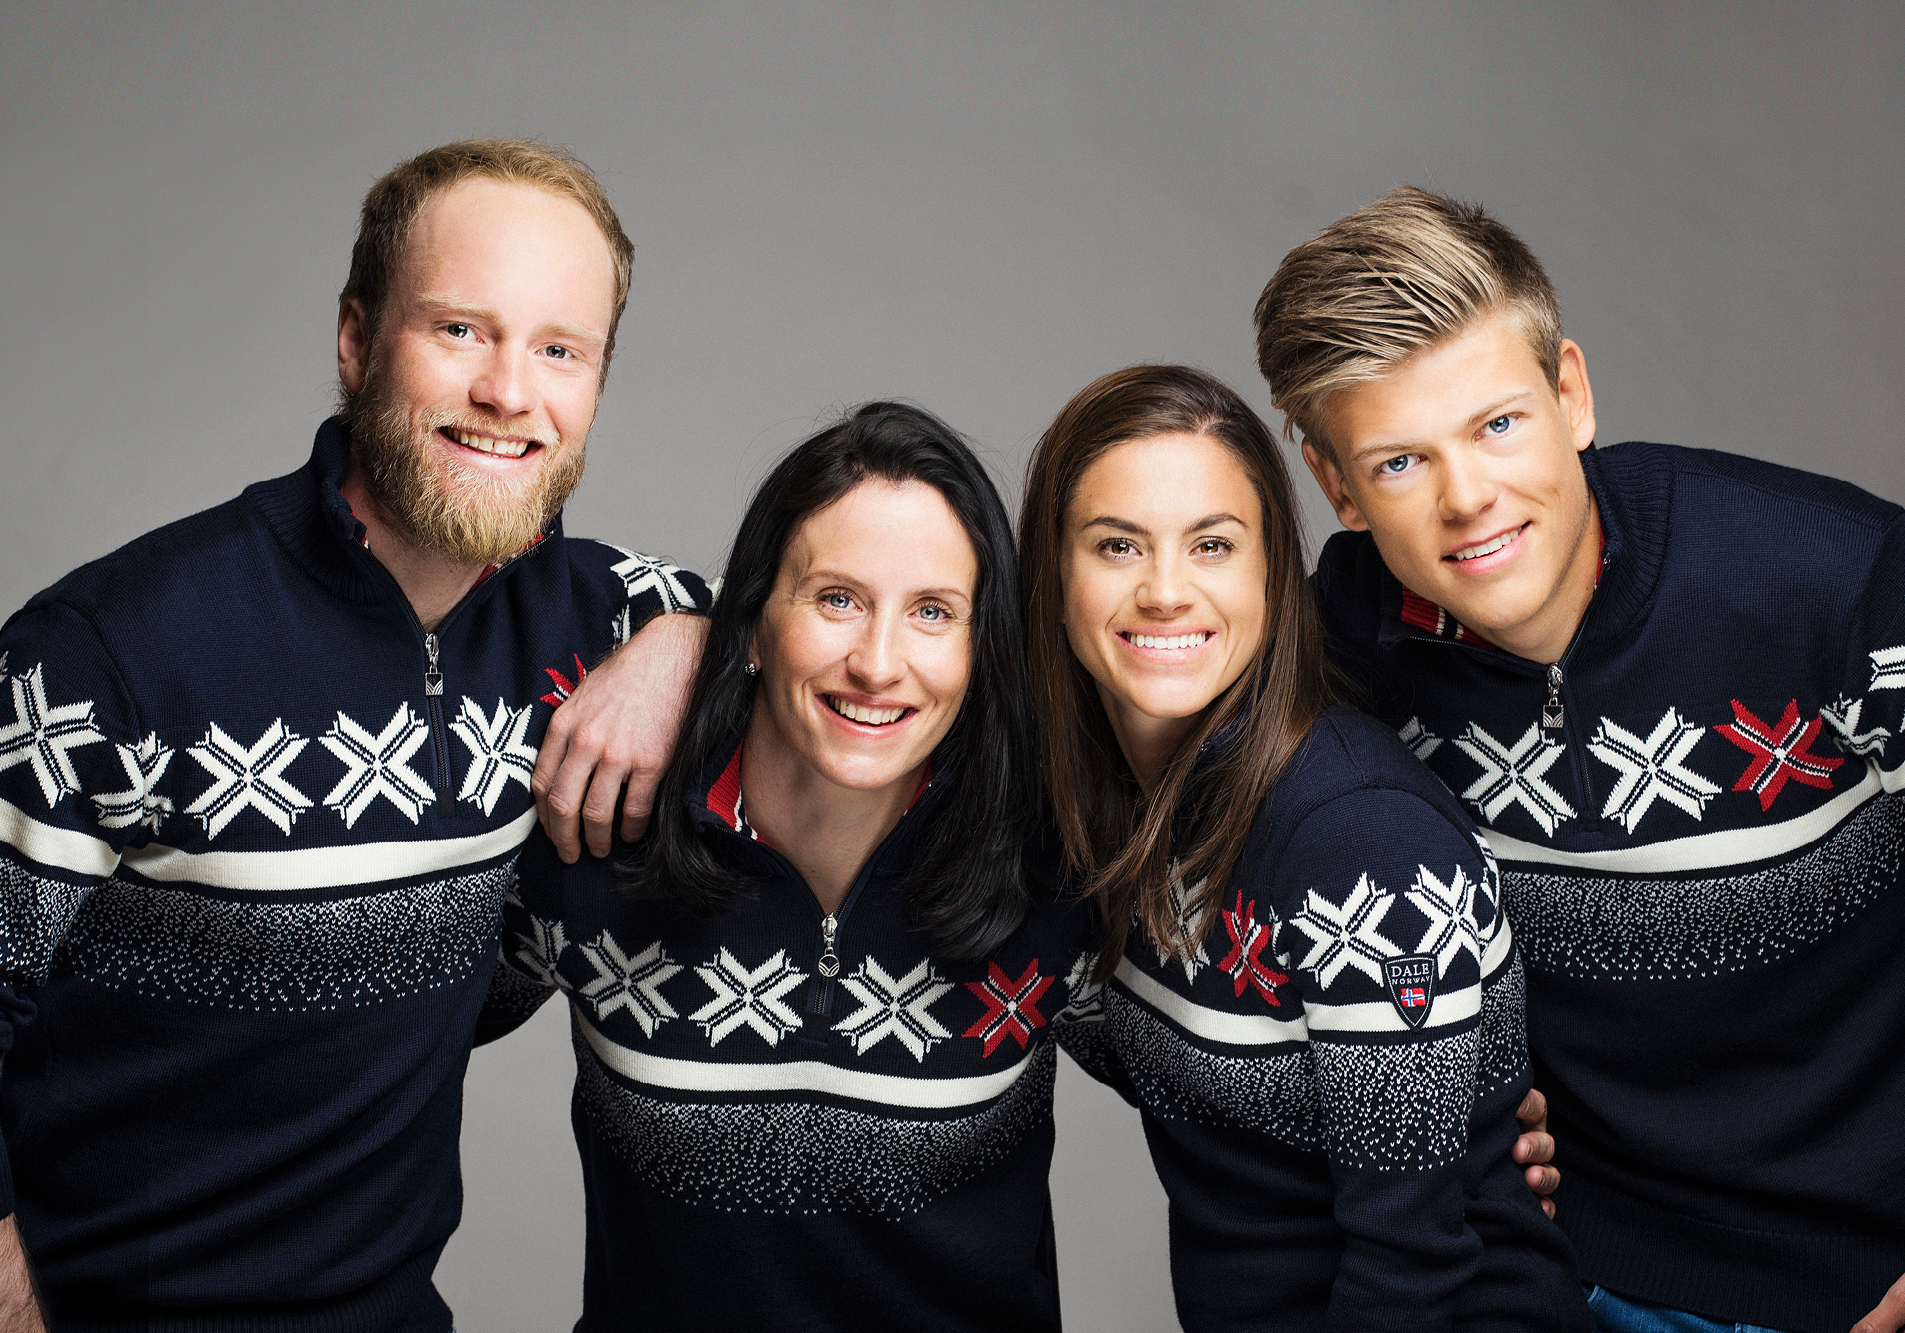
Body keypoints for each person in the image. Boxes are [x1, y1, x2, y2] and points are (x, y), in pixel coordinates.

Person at [1252, 186, 1905, 1333]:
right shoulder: (1339, 652)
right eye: (1399, 462)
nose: (1467, 498)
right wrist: (1476, 1105)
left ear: (1570, 394)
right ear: (1333, 484)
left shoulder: (1845, 582)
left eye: (1497, 423)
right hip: (1585, 1286)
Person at [0, 139, 708, 1332]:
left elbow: (806, 621)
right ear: (353, 339)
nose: (508, 391)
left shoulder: (597, 616)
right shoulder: (105, 653)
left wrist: (692, 638)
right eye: (459, 331)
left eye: (558, 350)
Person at [480, 402, 1101, 1332]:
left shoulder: (1058, 872)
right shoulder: (599, 833)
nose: (878, 662)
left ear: (983, 649)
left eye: (933, 612)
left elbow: (1245, 1137)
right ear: (756, 617)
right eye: (837, 599)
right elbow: (378, 1055)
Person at [1017, 364, 1590, 1331]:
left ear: (1273, 572)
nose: (1164, 591)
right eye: (1117, 545)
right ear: (1052, 573)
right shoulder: (1083, 814)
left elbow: (1409, 1268)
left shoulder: (1362, 840)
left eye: (1212, 545)